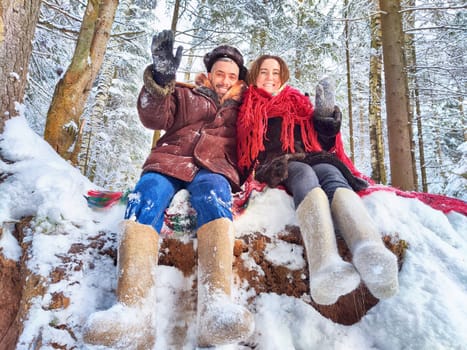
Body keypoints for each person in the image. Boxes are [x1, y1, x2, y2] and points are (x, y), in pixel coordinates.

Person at [83, 30, 254, 348]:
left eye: (232, 75)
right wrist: (160, 79)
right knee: (145, 194)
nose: (225, 80)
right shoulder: (187, 94)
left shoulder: (245, 110)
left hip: (215, 168)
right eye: (220, 73)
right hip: (168, 162)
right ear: (210, 73)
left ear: (239, 79)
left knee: (214, 195)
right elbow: (153, 116)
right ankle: (131, 310)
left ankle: (216, 307)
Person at [237, 54, 399, 305]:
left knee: (333, 174)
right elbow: (245, 146)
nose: (270, 77)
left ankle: (370, 249)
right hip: (275, 163)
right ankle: (325, 263)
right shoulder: (247, 104)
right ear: (254, 75)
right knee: (304, 175)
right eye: (264, 72)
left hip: (312, 156)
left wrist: (325, 117)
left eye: (276, 72)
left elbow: (323, 142)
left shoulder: (297, 102)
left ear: (284, 76)